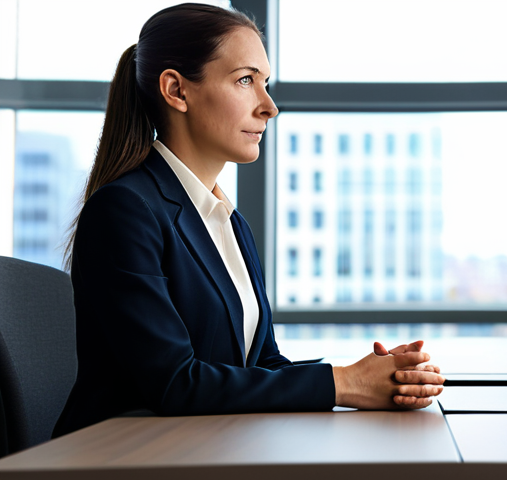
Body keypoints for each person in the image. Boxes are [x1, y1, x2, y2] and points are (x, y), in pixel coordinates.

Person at [53, 3, 444, 437]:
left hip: (206, 446)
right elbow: (174, 384)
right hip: (120, 455)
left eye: (266, 83)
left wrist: (375, 376)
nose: (269, 107)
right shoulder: (125, 210)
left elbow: (263, 363)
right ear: (176, 90)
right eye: (245, 80)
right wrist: (344, 383)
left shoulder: (226, 220)